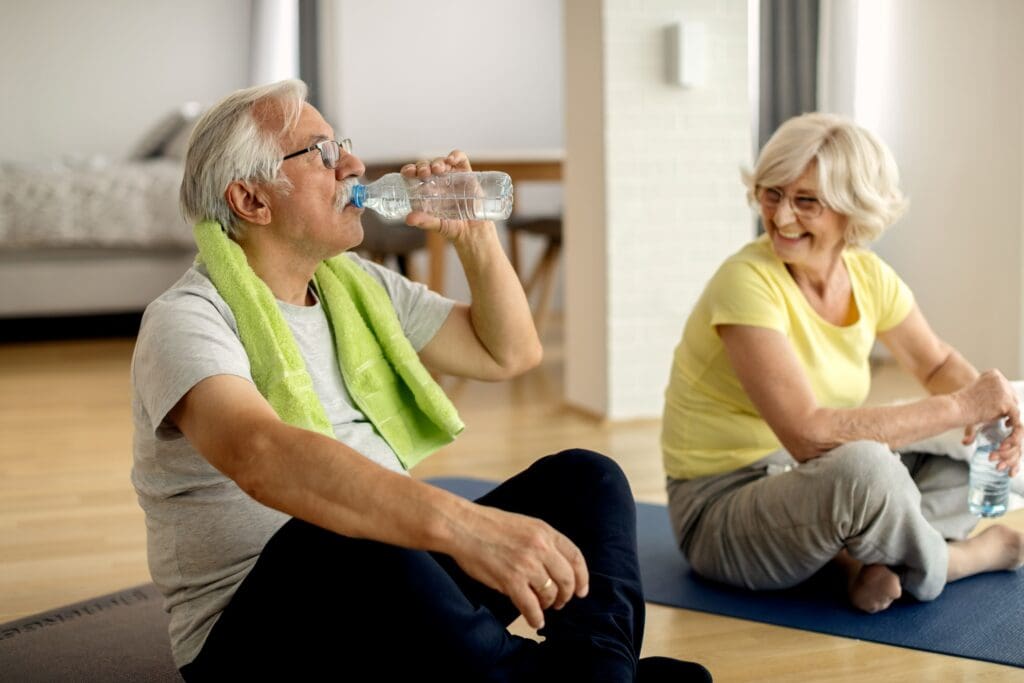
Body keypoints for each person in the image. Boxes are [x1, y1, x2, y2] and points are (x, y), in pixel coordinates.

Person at [131, 79, 711, 682]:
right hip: (259, 637)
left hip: (386, 583)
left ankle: (598, 676)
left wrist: (474, 233)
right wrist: (466, 527)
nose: (353, 165)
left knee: (587, 480)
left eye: (343, 146)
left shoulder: (355, 287)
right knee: (348, 530)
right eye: (323, 153)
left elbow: (509, 351)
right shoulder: (188, 319)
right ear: (251, 199)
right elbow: (260, 454)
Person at [661, 112, 1024, 614]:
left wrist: (995, 416)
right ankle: (955, 561)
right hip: (722, 509)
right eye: (772, 193)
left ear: (853, 210)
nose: (782, 217)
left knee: (969, 447)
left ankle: (867, 560)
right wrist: (962, 405)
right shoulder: (744, 282)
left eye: (806, 201)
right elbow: (807, 436)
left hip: (813, 484)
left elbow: (936, 362)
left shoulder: (869, 276)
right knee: (867, 466)